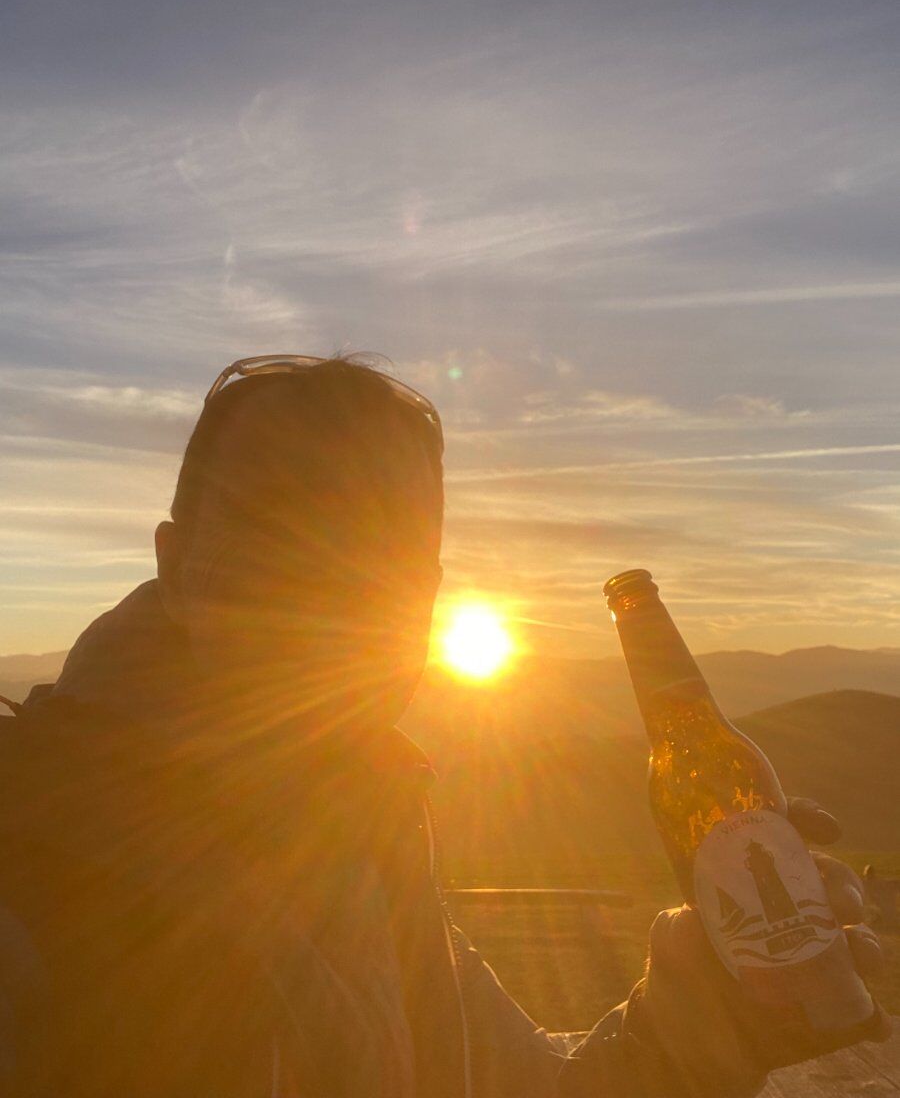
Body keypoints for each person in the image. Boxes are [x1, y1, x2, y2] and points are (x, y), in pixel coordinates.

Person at [0, 353, 890, 1098]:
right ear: (176, 564)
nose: (335, 586)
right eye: (279, 523)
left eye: (386, 545)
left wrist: (708, 1012)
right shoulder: (32, 853)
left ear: (427, 591)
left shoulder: (363, 832)